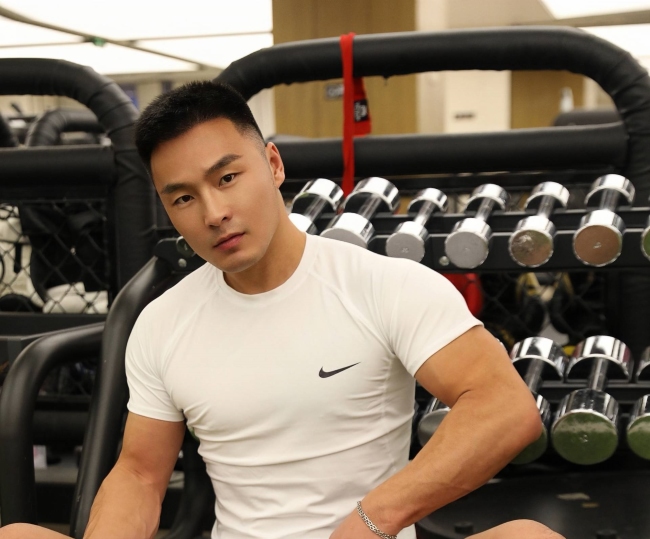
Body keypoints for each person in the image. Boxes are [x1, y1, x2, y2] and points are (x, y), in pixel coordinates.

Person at [0, 82, 564, 539]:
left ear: (272, 164)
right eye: (184, 198)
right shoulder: (163, 321)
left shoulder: (384, 285)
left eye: (227, 178)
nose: (214, 213)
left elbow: (504, 408)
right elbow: (142, 473)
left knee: (529, 537)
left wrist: (373, 521)